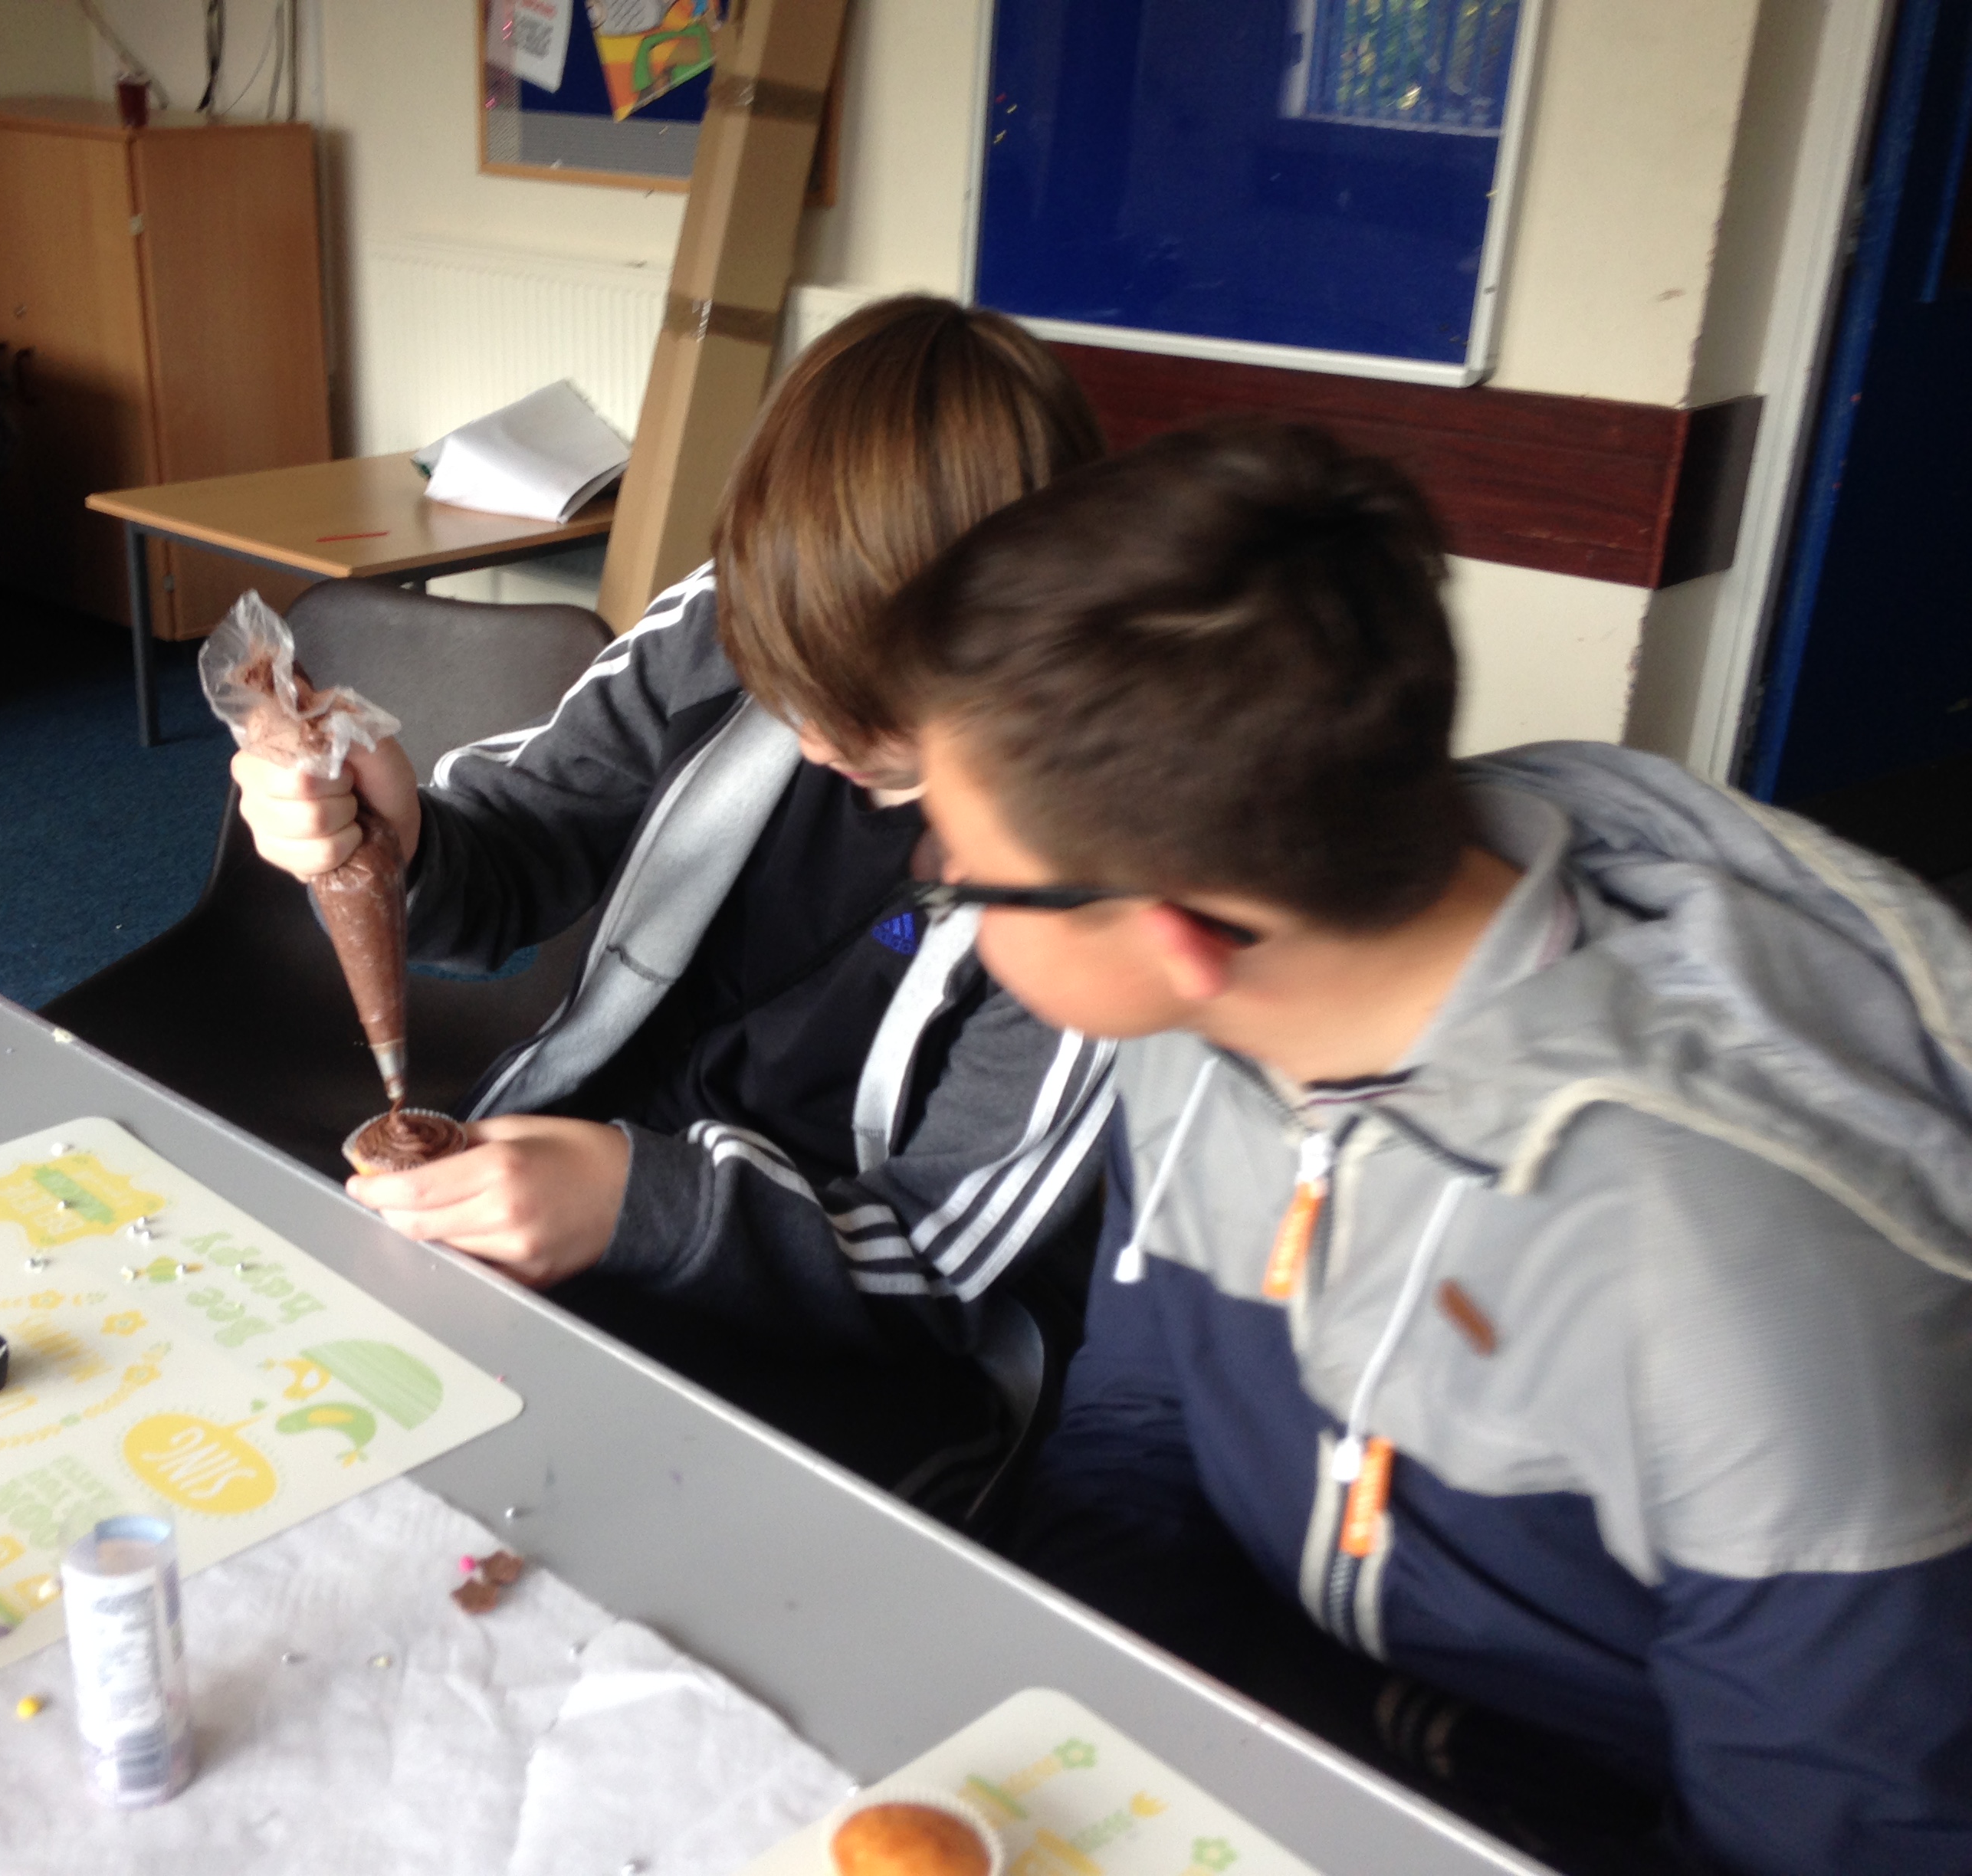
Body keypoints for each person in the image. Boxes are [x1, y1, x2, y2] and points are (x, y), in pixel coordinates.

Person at [874, 418, 1972, 1874]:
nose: (941, 887)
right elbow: (1139, 1430)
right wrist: (1092, 1741)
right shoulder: (1201, 1032)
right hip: (1305, 1753)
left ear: (1173, 934)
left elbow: (1825, 1832)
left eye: (963, 873)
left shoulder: (1738, 1274)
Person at [232, 296, 1116, 1494]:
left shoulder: (1096, 878)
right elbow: (519, 847)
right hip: (597, 1187)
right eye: (788, 687)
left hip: (843, 1339)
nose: (812, 743)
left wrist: (639, 1204)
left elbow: (948, 1271)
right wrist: (398, 845)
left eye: (872, 717)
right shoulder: (728, 621)